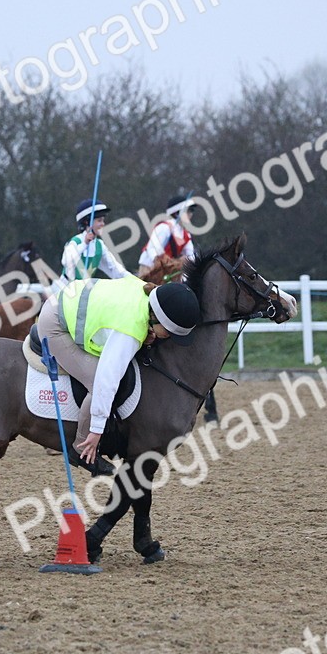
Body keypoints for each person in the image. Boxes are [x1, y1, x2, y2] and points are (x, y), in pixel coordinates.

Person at [36, 276, 201, 465]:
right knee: (95, 379)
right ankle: (80, 447)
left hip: (67, 300)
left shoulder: (146, 291)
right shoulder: (129, 331)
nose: (169, 337)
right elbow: (106, 379)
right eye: (170, 332)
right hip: (55, 325)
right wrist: (97, 430)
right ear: (159, 319)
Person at [59, 198, 129, 286]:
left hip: (83, 292)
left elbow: (114, 268)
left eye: (103, 220)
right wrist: (85, 243)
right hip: (65, 291)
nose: (103, 224)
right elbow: (66, 260)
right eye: (99, 220)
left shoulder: (100, 245)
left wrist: (132, 280)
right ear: (86, 222)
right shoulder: (76, 241)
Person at [137, 194, 196, 277]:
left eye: (192, 210)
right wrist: (161, 261)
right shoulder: (164, 228)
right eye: (188, 210)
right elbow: (152, 249)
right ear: (176, 213)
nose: (191, 214)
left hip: (166, 271)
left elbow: (190, 255)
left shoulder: (186, 234)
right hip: (149, 268)